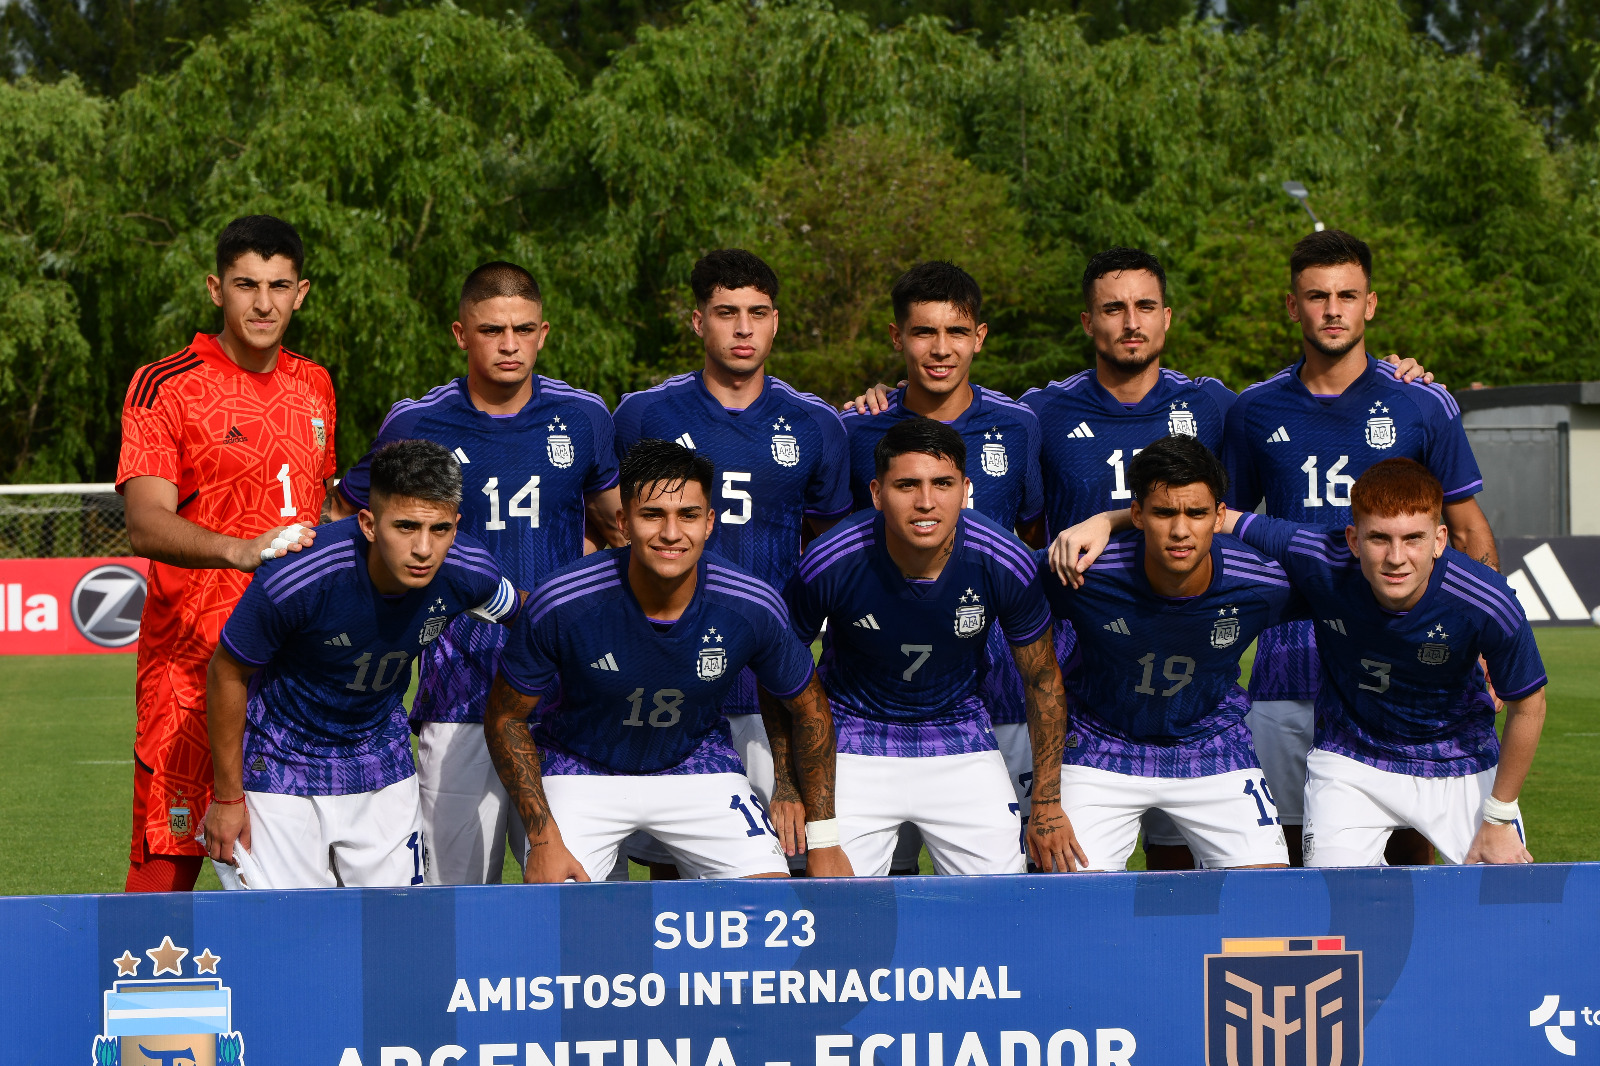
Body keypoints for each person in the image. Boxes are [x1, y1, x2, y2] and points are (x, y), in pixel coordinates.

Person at [331, 262, 622, 885]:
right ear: (461, 334)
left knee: (580, 891)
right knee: (454, 897)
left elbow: (619, 526)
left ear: (543, 333)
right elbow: (348, 518)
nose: (509, 344)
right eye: (492, 330)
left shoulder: (584, 417)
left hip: (564, 694)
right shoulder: (416, 423)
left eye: (523, 330)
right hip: (456, 689)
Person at [1219, 228, 1495, 866]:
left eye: (1347, 295)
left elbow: (1469, 531)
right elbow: (1223, 525)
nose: (1333, 310)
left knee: (1412, 848)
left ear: (1370, 304)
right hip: (1289, 663)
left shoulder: (1421, 402)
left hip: (1400, 658)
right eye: (1317, 296)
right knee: (1291, 855)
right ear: (1293, 307)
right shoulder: (1253, 410)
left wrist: (1480, 638)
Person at [483, 440, 849, 882]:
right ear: (623, 521)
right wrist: (543, 838)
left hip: (697, 763)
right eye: (653, 515)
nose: (671, 533)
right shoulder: (563, 601)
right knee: (559, 904)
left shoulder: (750, 603)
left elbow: (810, 708)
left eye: (688, 515)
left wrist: (825, 838)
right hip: (579, 766)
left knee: (768, 901)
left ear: (709, 522)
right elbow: (505, 717)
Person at [612, 249, 851, 873]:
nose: (743, 328)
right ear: (699, 321)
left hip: (769, 676)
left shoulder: (814, 422)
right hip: (665, 668)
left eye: (757, 313)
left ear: (776, 321)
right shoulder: (644, 414)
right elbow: (613, 527)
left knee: (780, 857)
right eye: (726, 313)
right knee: (667, 854)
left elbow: (832, 553)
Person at [116, 214, 335, 893]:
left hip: (295, 667)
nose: (263, 304)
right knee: (167, 865)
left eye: (279, 286)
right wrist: (240, 551)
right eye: (246, 285)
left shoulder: (316, 384)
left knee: (300, 881)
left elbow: (320, 508)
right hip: (192, 666)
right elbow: (145, 523)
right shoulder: (164, 383)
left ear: (301, 293)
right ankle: (145, 969)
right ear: (216, 289)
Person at [201, 440, 521, 889]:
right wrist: (228, 798)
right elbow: (226, 672)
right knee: (288, 926)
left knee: (397, 921)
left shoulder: (470, 572)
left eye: (440, 529)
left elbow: (530, 616)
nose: (424, 548)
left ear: (456, 527)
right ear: (368, 524)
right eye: (406, 526)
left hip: (381, 761)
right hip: (281, 764)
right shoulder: (296, 575)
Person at [780, 418, 1081, 876]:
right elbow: (781, 675)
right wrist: (787, 785)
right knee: (835, 901)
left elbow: (1041, 679)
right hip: (854, 733)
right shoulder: (830, 560)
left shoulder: (1003, 559)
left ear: (965, 490)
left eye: (942, 483)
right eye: (907, 485)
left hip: (959, 730)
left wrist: (1047, 803)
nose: (926, 501)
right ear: (877, 493)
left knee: (999, 898)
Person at [1217, 460, 1543, 865]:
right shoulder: (1318, 554)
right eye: (1379, 538)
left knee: (1503, 897)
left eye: (1413, 538)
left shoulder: (1486, 598)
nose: (1396, 557)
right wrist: (1136, 521)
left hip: (1461, 758)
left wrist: (1498, 817)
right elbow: (1220, 518)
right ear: (1353, 540)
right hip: (1352, 758)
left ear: (1440, 540)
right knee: (1335, 895)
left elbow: (1529, 707)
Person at [836, 263, 1046, 867]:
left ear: (979, 337)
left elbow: (1029, 536)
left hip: (995, 681)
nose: (940, 349)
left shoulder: (1017, 425)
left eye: (955, 332)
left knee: (1002, 869)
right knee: (876, 872)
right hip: (876, 686)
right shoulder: (855, 428)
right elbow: (835, 546)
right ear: (897, 337)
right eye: (924, 332)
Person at [1041, 436, 1295, 871]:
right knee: (1070, 895)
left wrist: (1106, 517)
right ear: (1138, 515)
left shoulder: (1262, 582)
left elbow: (1341, 569)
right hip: (1102, 742)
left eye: (1196, 513)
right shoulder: (1085, 571)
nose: (1180, 531)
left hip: (1212, 741)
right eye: (1163, 513)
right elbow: (997, 582)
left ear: (1220, 517)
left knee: (1265, 894)